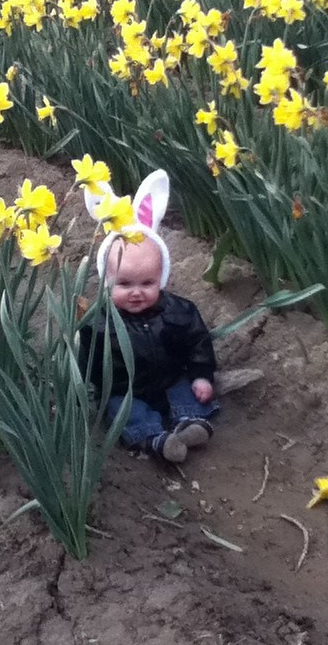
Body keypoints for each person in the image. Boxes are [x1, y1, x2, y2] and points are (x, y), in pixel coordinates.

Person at [79, 169, 219, 463]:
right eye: (125, 284)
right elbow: (87, 365)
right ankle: (156, 439)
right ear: (107, 281)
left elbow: (198, 343)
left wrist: (202, 375)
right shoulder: (98, 324)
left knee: (188, 390)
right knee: (121, 410)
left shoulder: (178, 311)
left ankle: (191, 423)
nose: (136, 293)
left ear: (161, 278)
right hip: (127, 392)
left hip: (170, 378)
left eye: (147, 283)